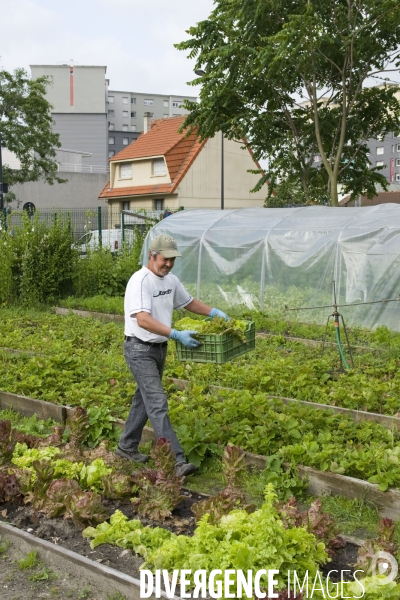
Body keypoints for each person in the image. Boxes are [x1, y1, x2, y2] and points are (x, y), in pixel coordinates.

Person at [116, 234, 229, 477]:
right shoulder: (140, 281)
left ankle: (126, 447)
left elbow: (188, 303)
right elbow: (143, 319)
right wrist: (175, 333)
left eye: (172, 260)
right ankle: (177, 461)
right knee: (157, 402)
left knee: (143, 399)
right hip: (139, 348)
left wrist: (213, 313)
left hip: (159, 348)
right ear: (152, 255)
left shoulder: (170, 280)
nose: (168, 264)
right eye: (164, 259)